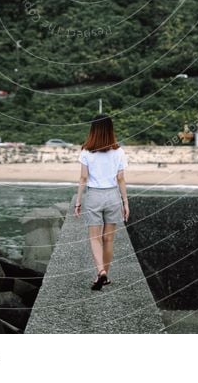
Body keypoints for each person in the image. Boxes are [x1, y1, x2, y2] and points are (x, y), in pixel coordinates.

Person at [74, 114, 129, 291]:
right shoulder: (119, 151)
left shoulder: (86, 151)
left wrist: (78, 201)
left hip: (94, 196)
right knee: (109, 238)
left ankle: (100, 271)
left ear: (93, 130)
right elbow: (121, 178)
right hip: (113, 196)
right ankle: (105, 275)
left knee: (95, 238)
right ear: (110, 129)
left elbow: (83, 177)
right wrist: (125, 202)